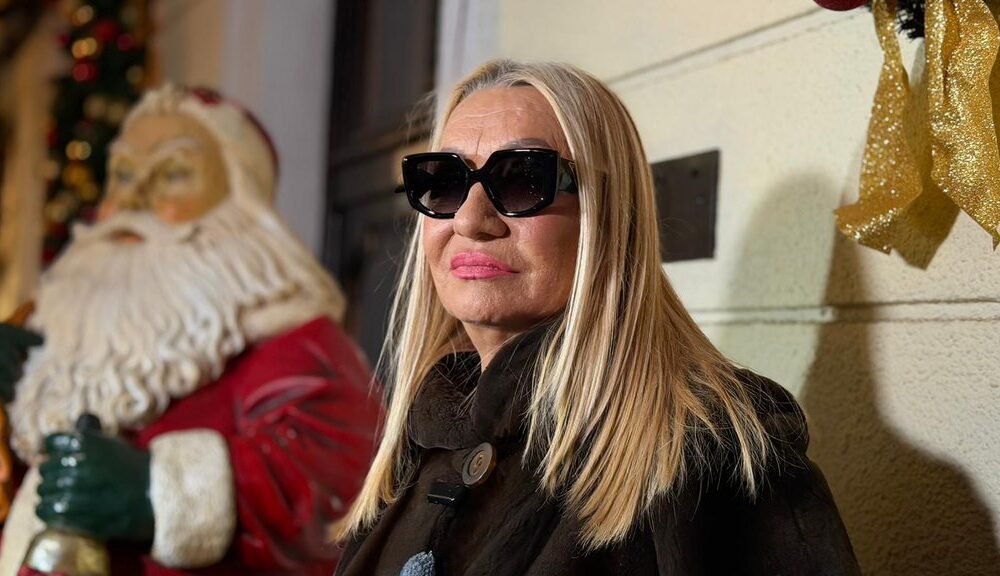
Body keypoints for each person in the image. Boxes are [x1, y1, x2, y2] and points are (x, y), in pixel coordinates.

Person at [333, 60, 860, 575]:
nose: (470, 220)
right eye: (446, 181)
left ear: (609, 214)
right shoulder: (419, 444)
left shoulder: (716, 454)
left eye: (522, 179)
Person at [0, 85, 383, 575]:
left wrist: (157, 489)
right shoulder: (61, 326)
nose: (132, 198)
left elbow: (338, 491)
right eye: (123, 174)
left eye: (173, 174)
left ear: (239, 207)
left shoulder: (293, 340)